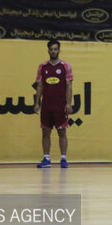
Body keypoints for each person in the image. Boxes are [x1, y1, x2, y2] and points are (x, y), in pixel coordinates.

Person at [34, 40, 73, 169]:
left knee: (62, 131)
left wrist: (68, 104)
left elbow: (69, 86)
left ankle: (63, 159)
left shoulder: (65, 66)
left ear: (59, 50)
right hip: (46, 105)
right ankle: (46, 159)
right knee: (45, 131)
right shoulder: (42, 67)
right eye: (51, 49)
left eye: (56, 49)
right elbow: (39, 86)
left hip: (60, 105)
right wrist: (37, 103)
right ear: (48, 50)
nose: (53, 51)